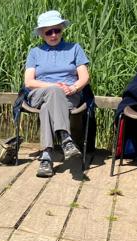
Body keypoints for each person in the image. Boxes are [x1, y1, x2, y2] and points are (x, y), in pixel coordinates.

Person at [24, 10, 89, 178]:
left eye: (57, 30)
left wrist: (74, 88)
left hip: (68, 96)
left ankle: (46, 156)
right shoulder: (35, 52)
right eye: (48, 32)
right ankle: (65, 138)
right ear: (41, 34)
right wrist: (54, 85)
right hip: (39, 93)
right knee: (53, 91)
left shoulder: (74, 48)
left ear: (62, 29)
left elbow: (84, 77)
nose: (53, 35)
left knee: (47, 109)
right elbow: (29, 82)